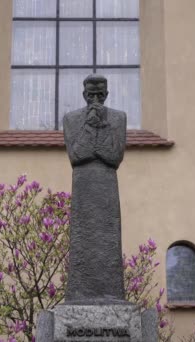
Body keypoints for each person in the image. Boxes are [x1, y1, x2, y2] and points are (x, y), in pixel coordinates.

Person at [62, 74, 128, 304]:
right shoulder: (71, 119)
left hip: (107, 188)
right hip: (83, 188)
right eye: (91, 95)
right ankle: (81, 294)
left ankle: (110, 293)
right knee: (83, 242)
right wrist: (91, 125)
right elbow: (77, 155)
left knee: (108, 242)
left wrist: (103, 128)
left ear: (107, 94)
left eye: (100, 94)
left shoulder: (118, 119)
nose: (96, 99)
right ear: (84, 95)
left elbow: (114, 156)